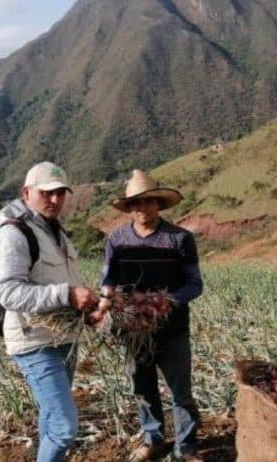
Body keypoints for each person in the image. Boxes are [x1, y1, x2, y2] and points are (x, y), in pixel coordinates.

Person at [0, 161, 98, 462]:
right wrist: (67, 294)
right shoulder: (13, 234)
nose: (55, 200)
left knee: (52, 417)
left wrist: (86, 308)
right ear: (26, 192)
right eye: (46, 193)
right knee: (64, 427)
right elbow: (9, 292)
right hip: (35, 342)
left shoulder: (55, 231)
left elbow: (65, 282)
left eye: (61, 193)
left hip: (63, 337)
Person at [101, 170, 204, 462]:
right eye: (135, 203)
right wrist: (104, 305)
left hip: (173, 330)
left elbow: (195, 284)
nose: (142, 209)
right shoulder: (117, 240)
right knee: (143, 388)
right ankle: (153, 439)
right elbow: (108, 281)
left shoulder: (179, 239)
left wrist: (166, 302)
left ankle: (186, 447)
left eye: (148, 202)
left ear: (158, 204)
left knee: (180, 391)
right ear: (129, 207)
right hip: (133, 330)